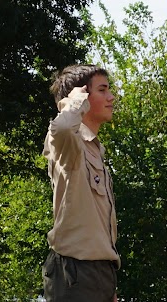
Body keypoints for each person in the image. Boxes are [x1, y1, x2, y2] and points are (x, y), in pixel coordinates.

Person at [42, 65, 120, 302]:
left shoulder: (95, 149)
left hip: (99, 274)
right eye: (103, 90)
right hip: (75, 273)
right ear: (83, 96)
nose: (111, 97)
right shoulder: (69, 143)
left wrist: (108, 286)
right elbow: (63, 126)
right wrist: (74, 101)